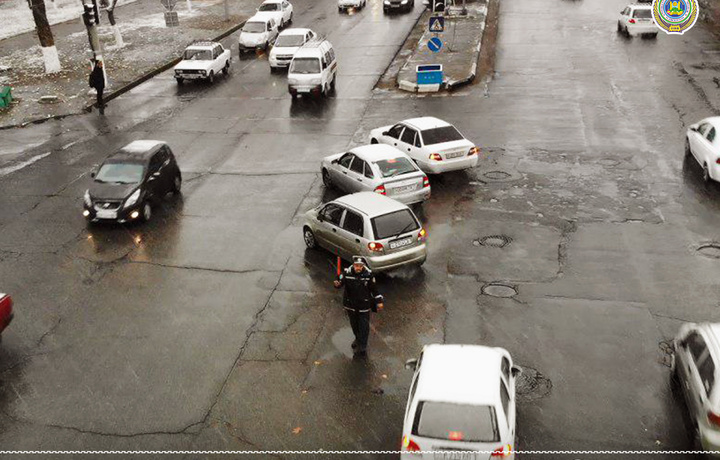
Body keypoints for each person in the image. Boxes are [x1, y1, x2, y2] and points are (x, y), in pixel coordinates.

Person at [333, 256, 384, 356]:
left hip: (364, 305)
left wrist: (379, 301)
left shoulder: (368, 275)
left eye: (360, 266)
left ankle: (363, 346)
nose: (358, 268)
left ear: (363, 266)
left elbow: (374, 289)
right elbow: (339, 283)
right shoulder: (347, 273)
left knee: (364, 326)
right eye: (356, 266)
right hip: (350, 304)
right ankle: (357, 338)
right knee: (354, 324)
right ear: (353, 265)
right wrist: (337, 284)